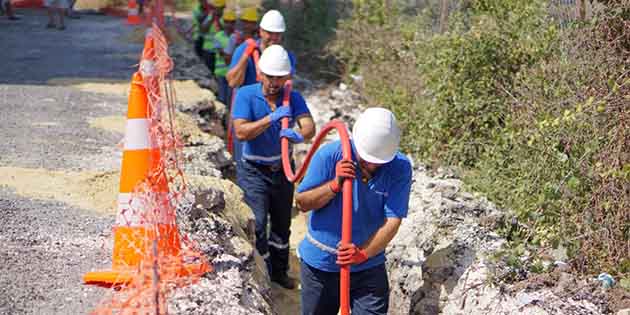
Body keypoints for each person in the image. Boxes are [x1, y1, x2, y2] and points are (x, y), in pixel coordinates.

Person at [295, 107, 413, 315]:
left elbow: (393, 220)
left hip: (368, 265)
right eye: (367, 159)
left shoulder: (400, 167)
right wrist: (334, 185)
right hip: (321, 266)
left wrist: (363, 254)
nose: (372, 166)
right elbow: (302, 202)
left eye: (379, 161)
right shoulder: (330, 155)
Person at [231, 45, 315, 289]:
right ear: (260, 74)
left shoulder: (293, 98)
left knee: (281, 225)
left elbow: (310, 128)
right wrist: (271, 118)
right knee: (257, 223)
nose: (274, 83)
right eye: (270, 77)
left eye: (280, 77)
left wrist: (298, 135)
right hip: (254, 170)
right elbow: (241, 131)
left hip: (282, 170)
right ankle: (263, 274)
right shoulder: (247, 95)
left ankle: (279, 272)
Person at [226, 9, 296, 165]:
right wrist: (246, 56)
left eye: (277, 34)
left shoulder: (286, 56)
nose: (274, 37)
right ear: (261, 31)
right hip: (247, 113)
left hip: (273, 112)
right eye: (269, 33)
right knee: (243, 158)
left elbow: (288, 85)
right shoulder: (246, 50)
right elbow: (232, 82)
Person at [191, 0, 224, 74]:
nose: (217, 10)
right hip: (208, 49)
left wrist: (217, 20)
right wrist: (212, 19)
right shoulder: (210, 16)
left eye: (219, 8)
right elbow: (203, 29)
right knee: (208, 68)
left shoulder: (226, 19)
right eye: (215, 8)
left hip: (220, 50)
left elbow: (224, 31)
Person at [213, 8, 236, 106]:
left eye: (231, 22)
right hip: (221, 73)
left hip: (233, 73)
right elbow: (222, 54)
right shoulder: (218, 36)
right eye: (227, 22)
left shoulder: (237, 37)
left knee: (230, 98)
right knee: (222, 98)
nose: (229, 25)